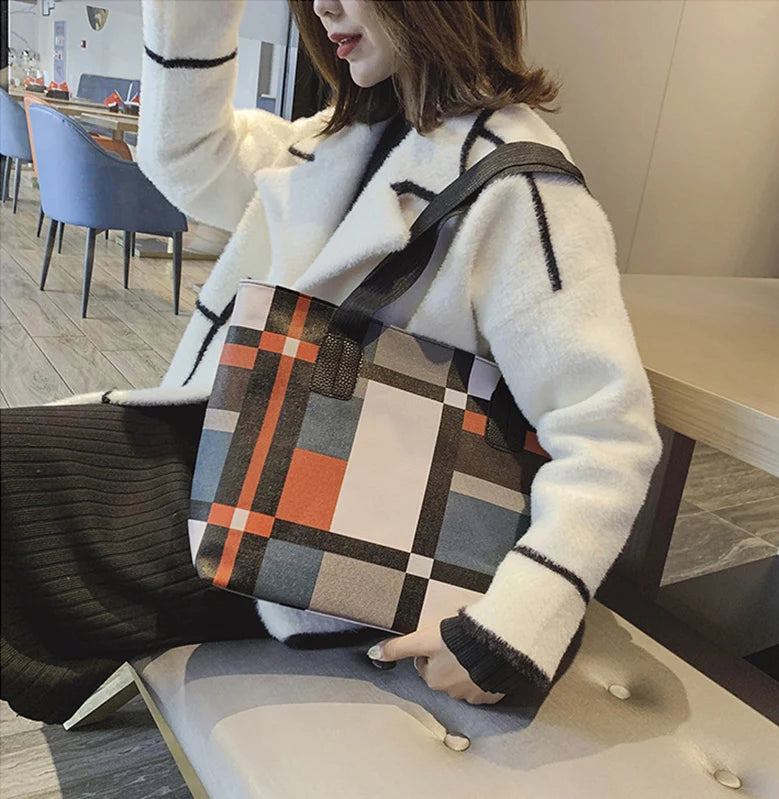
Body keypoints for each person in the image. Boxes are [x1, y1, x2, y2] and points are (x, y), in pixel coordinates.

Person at [1, 0, 663, 723]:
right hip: (243, 459)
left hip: (330, 542)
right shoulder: (339, 137)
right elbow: (182, 154)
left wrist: (514, 626)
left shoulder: (524, 188)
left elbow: (607, 434)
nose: (322, 5)